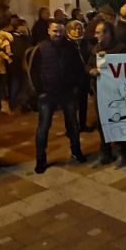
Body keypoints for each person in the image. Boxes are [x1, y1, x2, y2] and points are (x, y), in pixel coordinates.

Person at [29, 20, 87, 173]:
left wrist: (76, 87)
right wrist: (39, 91)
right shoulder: (41, 48)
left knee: (73, 124)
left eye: (60, 31)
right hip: (47, 94)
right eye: (55, 31)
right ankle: (40, 159)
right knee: (43, 127)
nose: (58, 34)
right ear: (49, 30)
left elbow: (79, 68)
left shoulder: (70, 47)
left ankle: (76, 151)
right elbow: (32, 72)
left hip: (67, 93)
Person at [87, 22, 126, 166]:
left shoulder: (121, 49)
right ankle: (105, 153)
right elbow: (89, 65)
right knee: (101, 123)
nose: (95, 35)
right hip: (100, 93)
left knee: (119, 121)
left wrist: (108, 58)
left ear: (108, 34)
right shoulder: (96, 49)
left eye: (99, 32)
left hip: (116, 93)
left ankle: (122, 153)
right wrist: (92, 71)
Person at [65, 19, 94, 132]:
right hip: (71, 81)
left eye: (79, 29)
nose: (77, 31)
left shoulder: (85, 43)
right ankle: (70, 129)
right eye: (74, 29)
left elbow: (91, 57)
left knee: (83, 104)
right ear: (68, 31)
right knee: (71, 107)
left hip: (83, 79)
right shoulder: (65, 44)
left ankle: (82, 125)